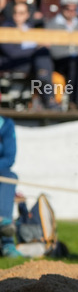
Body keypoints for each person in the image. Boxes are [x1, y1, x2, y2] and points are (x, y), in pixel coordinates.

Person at [45, 0, 78, 109]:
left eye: (74, 9)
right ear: (62, 8)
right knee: (75, 62)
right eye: (68, 9)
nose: (71, 12)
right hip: (59, 60)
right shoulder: (52, 25)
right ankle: (74, 100)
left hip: (77, 59)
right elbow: (52, 48)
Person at [0, 109, 19, 257]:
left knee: (10, 177)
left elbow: (9, 157)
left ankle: (5, 227)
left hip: (1, 171)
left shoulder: (6, 124)